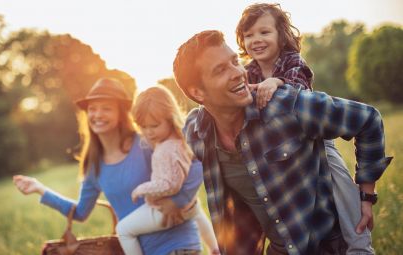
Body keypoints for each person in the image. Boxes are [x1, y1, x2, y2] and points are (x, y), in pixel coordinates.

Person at [173, 30, 392, 255]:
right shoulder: (197, 133)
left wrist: (366, 195)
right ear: (197, 92)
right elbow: (174, 158)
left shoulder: (286, 106)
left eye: (235, 62)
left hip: (326, 248)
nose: (238, 73)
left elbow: (368, 119)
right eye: (220, 70)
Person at [235, 3, 374, 254]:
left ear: (281, 34)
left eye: (264, 32)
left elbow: (299, 83)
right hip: (276, 147)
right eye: (248, 35)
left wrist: (276, 82)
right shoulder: (247, 73)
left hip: (315, 140)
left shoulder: (293, 61)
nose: (256, 40)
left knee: (339, 180)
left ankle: (359, 244)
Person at [13, 78, 203, 255]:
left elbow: (196, 163)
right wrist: (40, 190)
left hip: (178, 245)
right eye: (92, 109)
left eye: (106, 108)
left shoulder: (145, 142)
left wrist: (178, 199)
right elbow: (80, 212)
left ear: (121, 114)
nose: (97, 115)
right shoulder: (93, 167)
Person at [115, 86, 219, 255]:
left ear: (170, 119)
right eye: (143, 126)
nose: (148, 132)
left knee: (123, 230)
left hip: (164, 210)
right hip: (189, 208)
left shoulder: (165, 149)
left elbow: (169, 185)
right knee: (198, 211)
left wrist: (141, 189)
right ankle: (215, 248)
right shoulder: (181, 141)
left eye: (154, 126)